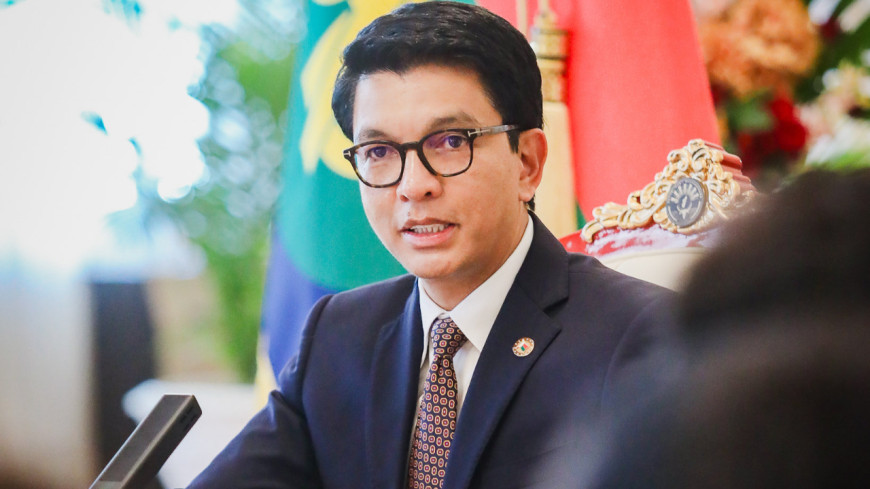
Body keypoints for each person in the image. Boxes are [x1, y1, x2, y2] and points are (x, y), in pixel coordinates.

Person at [188, 3, 675, 488]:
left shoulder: (643, 336)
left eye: (450, 142)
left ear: (527, 162)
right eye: (379, 152)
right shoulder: (337, 337)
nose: (414, 186)